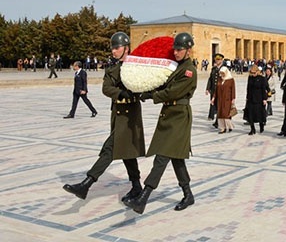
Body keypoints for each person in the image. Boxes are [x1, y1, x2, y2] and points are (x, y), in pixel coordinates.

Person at [62, 32, 144, 202]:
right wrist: (121, 92)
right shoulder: (112, 69)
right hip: (117, 115)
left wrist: (137, 92)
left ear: (126, 48)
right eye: (112, 48)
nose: (113, 51)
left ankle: (86, 184)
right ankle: (137, 187)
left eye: (117, 48)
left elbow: (146, 86)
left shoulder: (138, 67)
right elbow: (106, 89)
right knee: (127, 153)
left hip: (130, 118)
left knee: (110, 149)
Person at [124, 32, 198, 214]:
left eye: (180, 50)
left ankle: (143, 198)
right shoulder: (176, 67)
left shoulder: (189, 71)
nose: (176, 52)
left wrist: (151, 96)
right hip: (170, 115)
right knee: (177, 158)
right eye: (175, 49)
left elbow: (172, 92)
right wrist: (146, 87)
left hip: (179, 117)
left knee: (162, 156)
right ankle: (188, 195)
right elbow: (164, 85)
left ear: (189, 50)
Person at [245, 65, 268, 135]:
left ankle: (261, 125)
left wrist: (264, 99)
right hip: (251, 98)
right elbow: (248, 88)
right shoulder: (250, 78)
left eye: (254, 73)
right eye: (252, 73)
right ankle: (252, 129)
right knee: (250, 114)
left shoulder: (262, 78)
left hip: (259, 99)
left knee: (259, 114)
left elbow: (264, 89)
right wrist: (247, 97)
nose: (253, 74)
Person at [213, 66, 235, 134]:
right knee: (220, 114)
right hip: (220, 99)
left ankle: (229, 126)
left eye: (223, 73)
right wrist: (213, 97)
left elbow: (233, 90)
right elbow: (216, 89)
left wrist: (233, 98)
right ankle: (222, 128)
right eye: (221, 73)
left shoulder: (231, 80)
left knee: (226, 114)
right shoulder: (219, 79)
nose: (222, 75)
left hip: (227, 99)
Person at [206, 53, 225, 128]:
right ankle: (212, 117)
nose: (217, 61)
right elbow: (210, 79)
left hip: (221, 90)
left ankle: (218, 121)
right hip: (214, 90)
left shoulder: (224, 69)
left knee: (220, 106)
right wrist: (208, 88)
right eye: (216, 59)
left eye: (218, 59)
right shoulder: (214, 69)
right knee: (213, 103)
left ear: (221, 60)